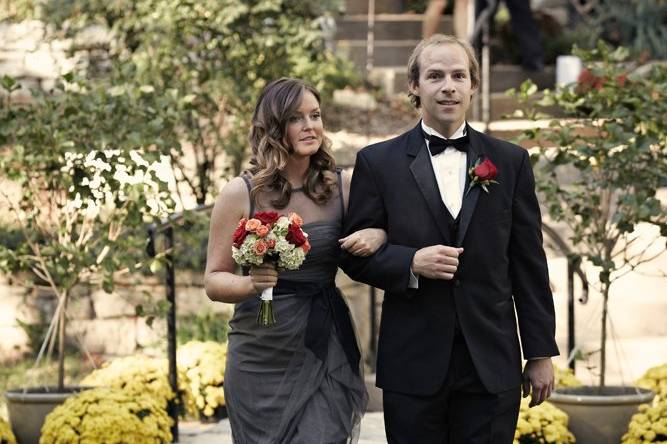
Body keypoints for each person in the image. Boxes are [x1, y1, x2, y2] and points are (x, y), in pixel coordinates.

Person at [340, 34, 559, 443]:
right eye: (435, 75)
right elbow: (354, 256)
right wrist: (410, 263)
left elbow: (529, 263)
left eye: (459, 75)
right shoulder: (378, 162)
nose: (448, 86)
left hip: (491, 363)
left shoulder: (510, 162)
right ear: (414, 86)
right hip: (413, 364)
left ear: (473, 85)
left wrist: (540, 352)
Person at [204, 78, 384, 443]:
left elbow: (390, 228)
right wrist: (249, 283)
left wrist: (380, 234)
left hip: (323, 344)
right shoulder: (241, 193)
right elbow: (213, 279)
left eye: (315, 115)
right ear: (274, 127)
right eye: (296, 118)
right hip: (259, 353)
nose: (311, 126)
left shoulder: (343, 186)